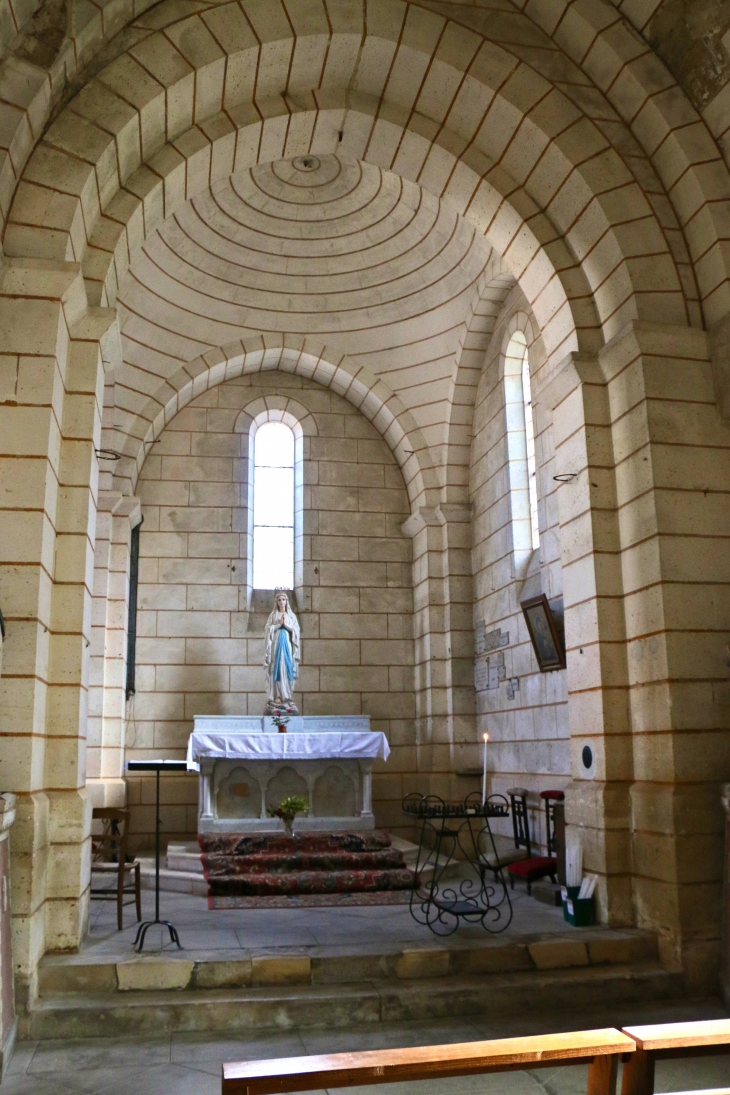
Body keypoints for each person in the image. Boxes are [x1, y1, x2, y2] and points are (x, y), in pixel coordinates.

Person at [263, 589, 301, 712]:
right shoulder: (273, 615)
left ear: (286, 601)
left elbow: (296, 630)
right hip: (276, 643)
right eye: (279, 600)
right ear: (277, 602)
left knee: (287, 666)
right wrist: (279, 625)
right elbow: (268, 629)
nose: (281, 602)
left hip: (287, 645)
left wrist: (286, 626)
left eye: (283, 599)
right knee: (277, 667)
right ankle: (277, 696)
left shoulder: (291, 616)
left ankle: (287, 696)